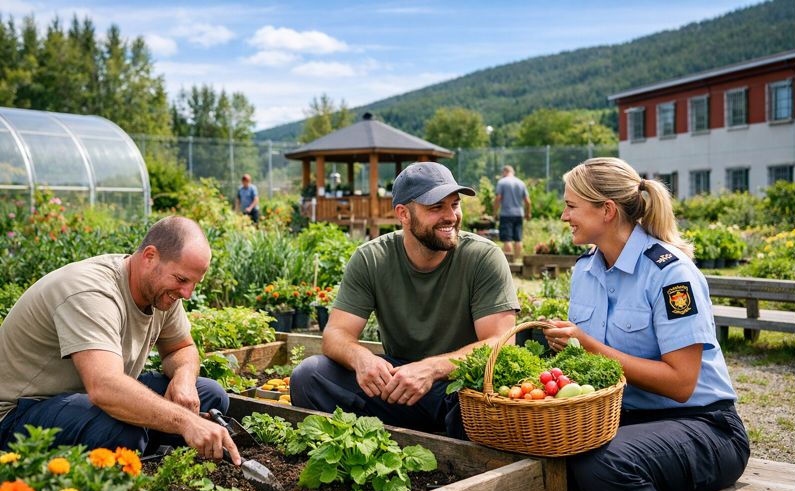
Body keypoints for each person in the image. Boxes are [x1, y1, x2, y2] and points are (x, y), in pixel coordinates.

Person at [542, 157, 749, 491]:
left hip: (706, 428)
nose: (563, 215)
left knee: (604, 462)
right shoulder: (585, 270)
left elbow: (681, 383)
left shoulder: (671, 275)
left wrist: (587, 345)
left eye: (571, 206)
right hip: (628, 421)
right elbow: (596, 369)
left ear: (607, 210)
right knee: (552, 448)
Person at [290, 161, 519, 437]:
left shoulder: (482, 257)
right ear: (403, 213)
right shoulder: (372, 258)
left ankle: (451, 460)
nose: (451, 216)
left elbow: (501, 343)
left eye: (455, 204)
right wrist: (361, 358)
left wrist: (431, 369)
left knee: (480, 408)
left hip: (458, 386)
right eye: (436, 207)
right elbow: (336, 333)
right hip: (397, 385)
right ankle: (372, 446)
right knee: (309, 376)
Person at [0, 216, 241, 465]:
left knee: (210, 395)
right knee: (123, 429)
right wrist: (185, 421)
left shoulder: (161, 292)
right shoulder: (92, 292)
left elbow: (182, 348)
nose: (187, 294)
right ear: (150, 256)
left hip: (85, 397)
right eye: (181, 280)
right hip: (20, 413)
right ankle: (130, 465)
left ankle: (146, 455)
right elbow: (105, 387)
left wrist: (184, 378)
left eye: (194, 284)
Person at [493, 165, 531, 262]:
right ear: (512, 172)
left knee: (507, 239)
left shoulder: (502, 182)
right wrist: (528, 213)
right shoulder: (521, 183)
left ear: (505, 172)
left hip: (506, 214)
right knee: (518, 239)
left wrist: (495, 212)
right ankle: (517, 259)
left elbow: (498, 198)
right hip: (519, 214)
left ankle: (510, 262)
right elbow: (527, 201)